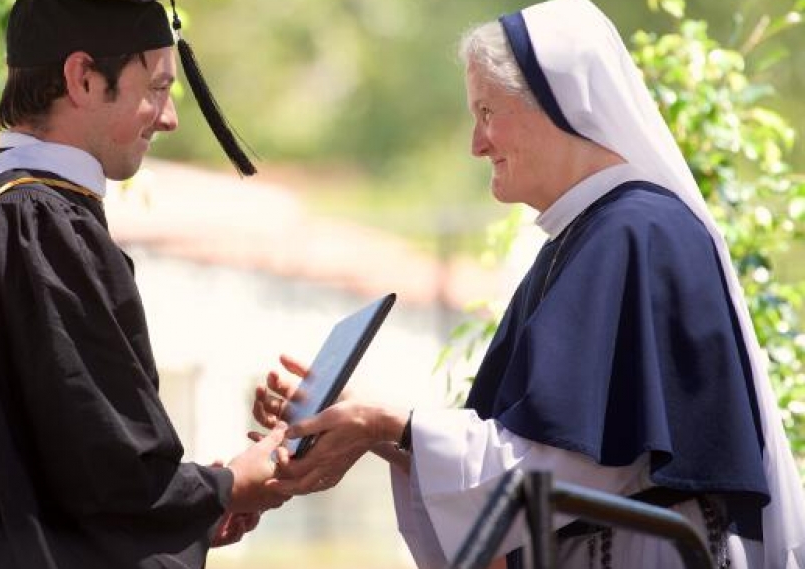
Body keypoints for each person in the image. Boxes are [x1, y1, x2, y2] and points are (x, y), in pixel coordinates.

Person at [251, 1, 805, 568]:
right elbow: (538, 464)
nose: (477, 143)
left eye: (487, 111)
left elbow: (577, 464)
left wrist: (389, 424)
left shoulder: (635, 232)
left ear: (560, 105)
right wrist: (374, 430)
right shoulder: (591, 237)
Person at [0, 0, 289, 567]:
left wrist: (196, 507)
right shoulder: (36, 226)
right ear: (84, 78)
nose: (168, 118)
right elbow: (105, 472)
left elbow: (46, 458)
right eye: (157, 88)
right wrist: (225, 488)